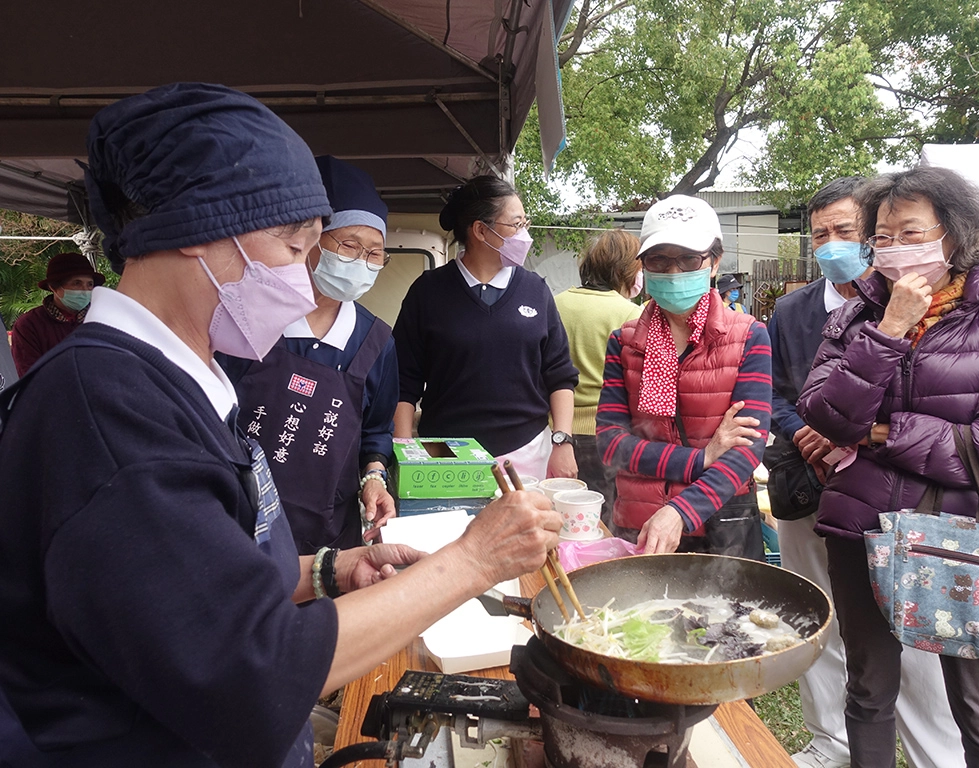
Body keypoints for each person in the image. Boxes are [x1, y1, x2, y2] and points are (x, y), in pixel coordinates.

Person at [0, 82, 561, 768]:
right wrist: (474, 560)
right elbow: (252, 672)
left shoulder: (184, 378)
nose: (307, 278)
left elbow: (201, 583)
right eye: (296, 247)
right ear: (198, 233)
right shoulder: (108, 412)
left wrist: (329, 569)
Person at [797, 166, 979, 768]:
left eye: (911, 231)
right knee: (869, 690)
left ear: (953, 236)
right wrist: (891, 328)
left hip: (965, 536)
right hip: (862, 529)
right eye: (884, 235)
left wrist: (877, 433)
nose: (894, 247)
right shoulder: (854, 319)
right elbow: (822, 411)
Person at [769, 177, 965, 768]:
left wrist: (851, 435)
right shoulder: (792, 309)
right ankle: (829, 740)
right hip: (806, 490)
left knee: (920, 640)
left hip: (899, 497)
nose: (831, 244)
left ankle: (938, 752)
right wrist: (803, 432)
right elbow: (778, 392)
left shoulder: (921, 308)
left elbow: (930, 407)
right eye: (820, 233)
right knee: (824, 622)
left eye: (845, 232)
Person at [220, 157, 399, 553]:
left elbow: (376, 431)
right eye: (350, 246)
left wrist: (374, 477)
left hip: (329, 535)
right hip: (237, 521)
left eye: (375, 254)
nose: (361, 263)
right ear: (313, 238)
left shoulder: (376, 341)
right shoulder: (251, 319)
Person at [596, 195, 771, 556]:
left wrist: (680, 510)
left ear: (713, 262)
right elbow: (611, 443)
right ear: (644, 265)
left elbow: (746, 449)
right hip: (640, 524)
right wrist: (701, 459)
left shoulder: (749, 336)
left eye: (689, 258)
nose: (673, 272)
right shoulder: (625, 342)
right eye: (659, 260)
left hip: (723, 527)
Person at [392, 175, 579, 480]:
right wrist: (403, 452)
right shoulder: (428, 292)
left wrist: (562, 440)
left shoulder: (535, 289)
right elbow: (403, 381)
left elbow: (559, 374)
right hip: (445, 453)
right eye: (515, 225)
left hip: (527, 451)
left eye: (524, 223)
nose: (524, 234)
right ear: (480, 230)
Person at [554, 229, 643, 526]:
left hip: (555, 433)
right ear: (626, 270)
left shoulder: (555, 303)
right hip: (608, 434)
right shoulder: (631, 313)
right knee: (604, 523)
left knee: (563, 518)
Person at [10, 252, 104, 375]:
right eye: (77, 283)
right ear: (54, 287)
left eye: (89, 284)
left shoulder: (100, 320)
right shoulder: (29, 325)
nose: (85, 290)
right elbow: (28, 374)